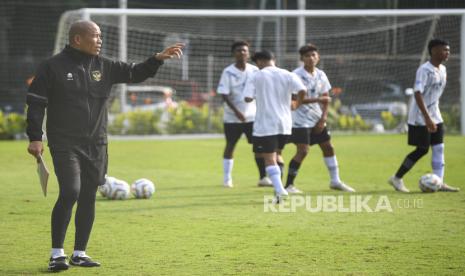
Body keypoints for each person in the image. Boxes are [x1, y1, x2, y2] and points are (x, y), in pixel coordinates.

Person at [26, 20, 184, 271]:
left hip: (97, 143)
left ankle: (80, 253)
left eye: (101, 36)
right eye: (96, 36)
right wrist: (35, 136)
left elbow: (135, 72)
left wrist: (157, 58)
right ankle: (57, 254)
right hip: (65, 143)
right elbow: (36, 102)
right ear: (78, 39)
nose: (100, 40)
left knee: (88, 195)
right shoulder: (52, 66)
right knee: (70, 191)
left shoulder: (105, 65)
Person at [388, 38, 459, 193]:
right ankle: (397, 178)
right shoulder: (424, 70)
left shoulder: (443, 70)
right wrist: (427, 118)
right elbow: (418, 93)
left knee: (439, 147)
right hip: (420, 116)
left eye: (448, 50)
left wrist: (433, 114)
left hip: (435, 114)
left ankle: (439, 183)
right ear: (433, 51)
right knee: (422, 149)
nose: (447, 52)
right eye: (444, 49)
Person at [285, 44, 355, 194]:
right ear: (301, 59)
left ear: (318, 57)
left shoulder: (321, 75)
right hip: (299, 120)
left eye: (313, 55)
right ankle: (289, 185)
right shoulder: (295, 75)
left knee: (328, 147)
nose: (311, 58)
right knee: (303, 151)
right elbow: (293, 99)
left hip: (317, 119)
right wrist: (317, 100)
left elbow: (326, 98)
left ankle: (335, 181)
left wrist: (323, 119)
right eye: (307, 56)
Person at [243, 50, 306, 202]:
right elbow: (303, 90)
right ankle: (278, 194)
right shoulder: (288, 74)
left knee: (269, 159)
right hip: (285, 124)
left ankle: (280, 189)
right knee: (277, 155)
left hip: (265, 124)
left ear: (259, 62)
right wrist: (296, 104)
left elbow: (247, 98)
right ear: (273, 59)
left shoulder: (256, 75)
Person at [217, 41, 271, 188]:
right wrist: (237, 112)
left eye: (245, 51)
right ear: (233, 54)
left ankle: (263, 177)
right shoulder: (228, 72)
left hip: (253, 117)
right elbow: (224, 94)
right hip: (232, 118)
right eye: (239, 51)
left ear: (248, 53)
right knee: (230, 145)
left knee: (259, 146)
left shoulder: (255, 70)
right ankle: (227, 179)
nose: (242, 53)